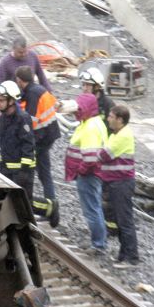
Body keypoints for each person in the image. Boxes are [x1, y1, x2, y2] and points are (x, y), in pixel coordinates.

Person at [15, 66, 61, 227]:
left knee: (29, 173)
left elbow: (31, 121)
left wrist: (26, 142)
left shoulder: (32, 95)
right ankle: (51, 208)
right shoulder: (39, 90)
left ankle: (43, 209)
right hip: (49, 135)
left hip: (41, 139)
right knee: (45, 173)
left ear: (20, 81)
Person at [65, 93, 108, 254]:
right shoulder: (95, 122)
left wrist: (80, 171)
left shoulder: (90, 127)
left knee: (91, 209)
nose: (77, 112)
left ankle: (98, 245)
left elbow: (90, 158)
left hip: (88, 175)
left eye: (79, 109)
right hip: (94, 174)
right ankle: (99, 241)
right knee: (94, 206)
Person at [98, 105, 140, 267]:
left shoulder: (122, 136)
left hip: (121, 184)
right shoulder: (117, 134)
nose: (108, 119)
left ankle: (131, 257)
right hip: (115, 182)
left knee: (125, 220)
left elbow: (104, 155)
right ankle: (123, 255)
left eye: (111, 116)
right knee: (119, 219)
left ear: (120, 120)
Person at [80, 66, 118, 233]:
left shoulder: (108, 104)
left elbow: (117, 129)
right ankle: (100, 223)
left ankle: (112, 226)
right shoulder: (86, 102)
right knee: (97, 189)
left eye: (88, 85)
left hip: (107, 153)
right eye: (84, 85)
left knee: (108, 190)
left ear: (97, 86)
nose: (85, 88)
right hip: (93, 152)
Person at [0, 81, 36, 198]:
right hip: (7, 169)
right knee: (9, 202)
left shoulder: (23, 118)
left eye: (1, 100)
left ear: (11, 101)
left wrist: (24, 171)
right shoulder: (3, 118)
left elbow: (28, 144)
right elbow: (5, 144)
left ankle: (50, 208)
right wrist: (2, 164)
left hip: (22, 170)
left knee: (25, 204)